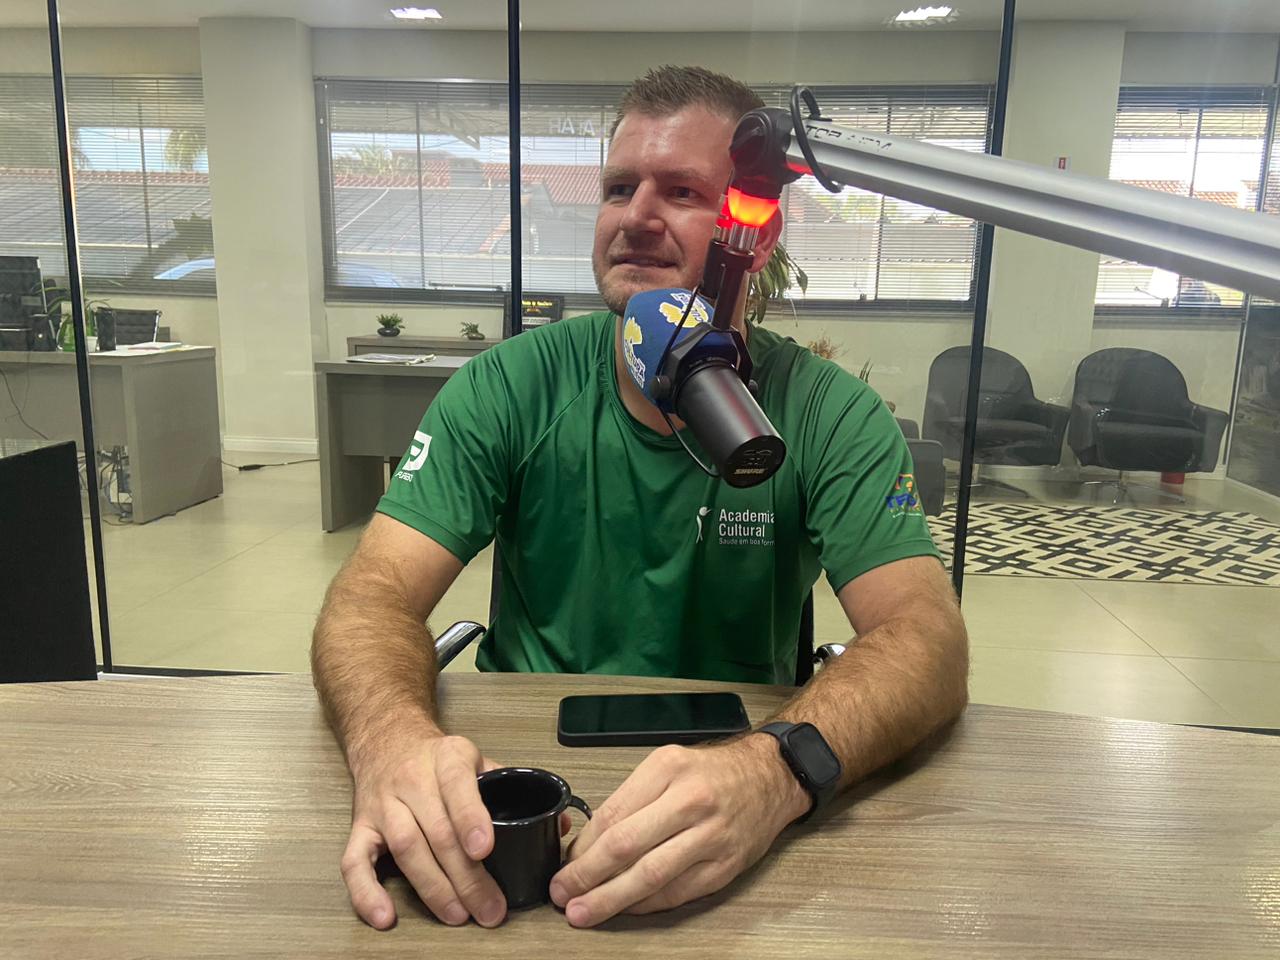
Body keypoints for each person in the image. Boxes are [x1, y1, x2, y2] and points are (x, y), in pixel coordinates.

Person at [311, 65, 968, 933]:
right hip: (522, 788)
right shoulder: (511, 385)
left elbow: (927, 639)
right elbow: (372, 596)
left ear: (755, 232)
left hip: (735, 786)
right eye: (619, 188)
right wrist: (392, 741)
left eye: (682, 192)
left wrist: (775, 773)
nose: (635, 217)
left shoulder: (828, 413)